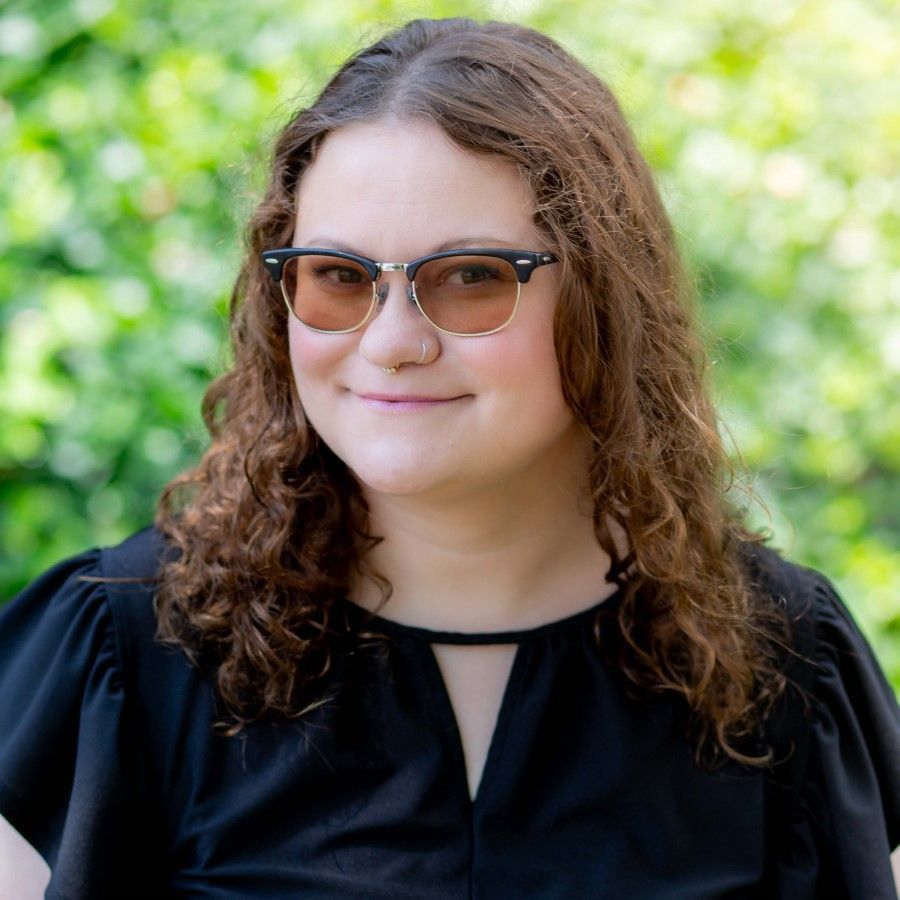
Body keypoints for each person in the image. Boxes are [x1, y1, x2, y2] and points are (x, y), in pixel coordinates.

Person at [1, 16, 898, 899]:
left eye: (471, 277)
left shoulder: (784, 661)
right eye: (339, 276)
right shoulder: (123, 653)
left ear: (602, 300)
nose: (392, 343)